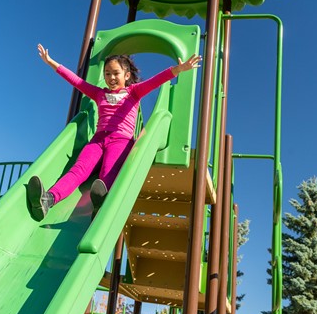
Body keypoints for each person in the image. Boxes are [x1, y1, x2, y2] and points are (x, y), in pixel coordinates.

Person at [27, 43, 202, 221]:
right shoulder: (99, 93)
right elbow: (76, 81)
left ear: (126, 75)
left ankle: (101, 207)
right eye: (107, 73)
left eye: (116, 73)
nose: (111, 77)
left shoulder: (134, 92)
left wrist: (179, 69)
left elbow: (156, 81)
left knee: (107, 174)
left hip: (121, 141)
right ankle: (48, 199)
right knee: (78, 170)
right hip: (98, 140)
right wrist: (51, 62)